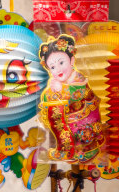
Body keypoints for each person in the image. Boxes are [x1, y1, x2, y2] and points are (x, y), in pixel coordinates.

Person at [38, 34, 105, 163]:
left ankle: (75, 150)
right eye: (52, 67)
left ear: (72, 61)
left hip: (84, 119)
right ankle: (69, 149)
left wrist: (60, 90)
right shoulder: (57, 82)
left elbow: (75, 94)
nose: (58, 69)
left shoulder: (78, 78)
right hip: (71, 120)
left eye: (61, 62)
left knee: (83, 138)